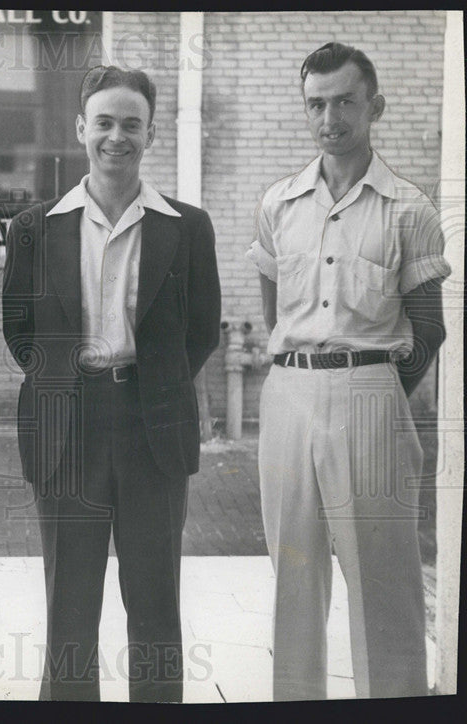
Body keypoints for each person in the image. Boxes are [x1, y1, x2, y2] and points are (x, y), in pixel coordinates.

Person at [2, 65, 221, 702]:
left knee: (154, 607)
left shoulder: (187, 226)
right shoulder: (34, 228)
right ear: (81, 129)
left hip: (153, 428)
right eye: (104, 122)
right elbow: (23, 332)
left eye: (131, 124)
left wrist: (150, 384)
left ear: (150, 133)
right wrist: (69, 383)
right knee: (69, 611)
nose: (116, 136)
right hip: (67, 428)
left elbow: (200, 331)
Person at [247, 42, 450, 700]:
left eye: (344, 101)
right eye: (316, 103)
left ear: (375, 106)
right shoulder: (278, 203)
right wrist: (305, 375)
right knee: (292, 579)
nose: (329, 117)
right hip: (289, 394)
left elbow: (429, 328)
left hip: (370, 394)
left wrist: (374, 390)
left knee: (383, 585)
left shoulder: (409, 209)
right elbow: (276, 312)